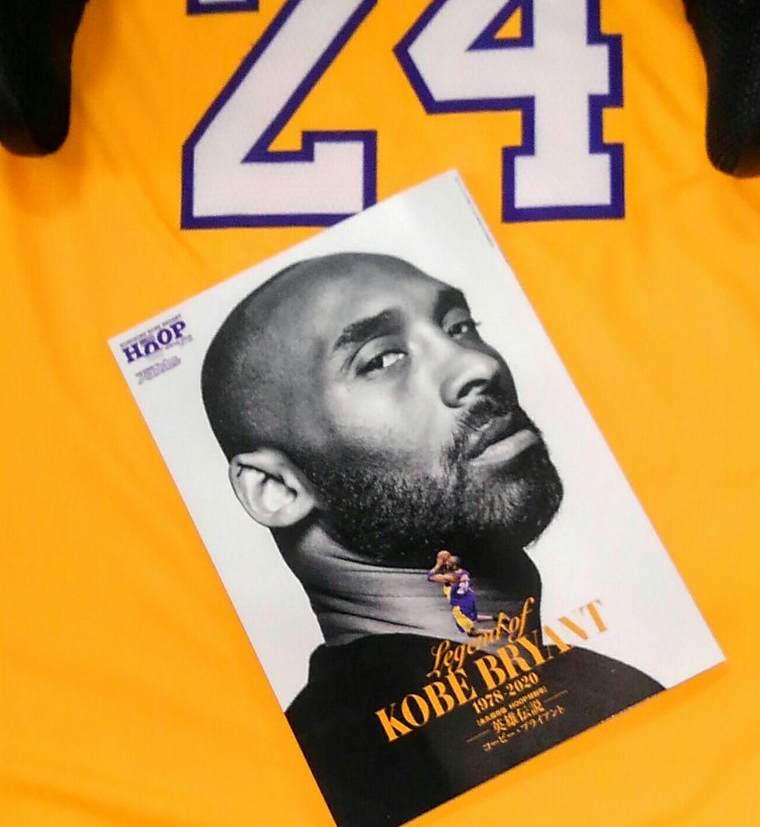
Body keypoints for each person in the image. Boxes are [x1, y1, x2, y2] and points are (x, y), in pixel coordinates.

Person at [201, 251, 663, 827]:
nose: (476, 365)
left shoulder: (569, 685)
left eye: (460, 327)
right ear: (276, 487)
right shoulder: (347, 779)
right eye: (382, 360)